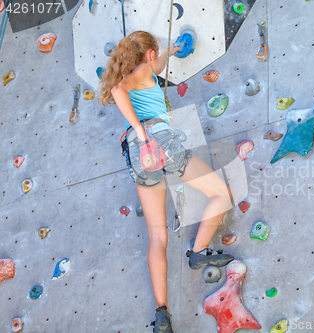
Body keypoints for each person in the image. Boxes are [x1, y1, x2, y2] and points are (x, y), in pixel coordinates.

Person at [98, 31, 234, 333]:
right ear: (147, 55)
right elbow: (119, 90)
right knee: (220, 194)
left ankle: (162, 313)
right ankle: (198, 252)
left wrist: (169, 50)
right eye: (155, 52)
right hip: (157, 142)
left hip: (137, 155)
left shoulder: (142, 71)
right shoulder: (141, 73)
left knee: (157, 238)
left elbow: (153, 68)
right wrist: (145, 133)